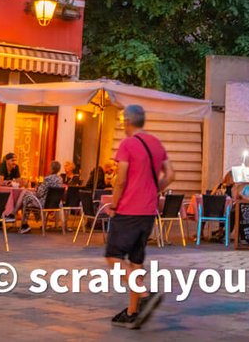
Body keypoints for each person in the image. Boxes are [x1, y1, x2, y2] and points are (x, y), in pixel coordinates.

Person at [105, 104, 173, 329]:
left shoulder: (128, 144)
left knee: (114, 258)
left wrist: (113, 205)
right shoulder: (156, 143)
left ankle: (144, 294)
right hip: (147, 212)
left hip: (128, 210)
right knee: (135, 262)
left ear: (127, 121)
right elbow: (171, 174)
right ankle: (133, 312)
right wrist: (155, 190)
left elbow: (121, 179)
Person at [16, 160, 66, 233]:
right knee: (28, 197)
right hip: (55, 203)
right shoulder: (60, 179)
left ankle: (24, 224)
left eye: (49, 166)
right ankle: (35, 218)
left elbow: (39, 193)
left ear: (51, 168)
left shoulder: (48, 178)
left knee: (26, 198)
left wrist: (36, 189)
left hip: (44, 203)